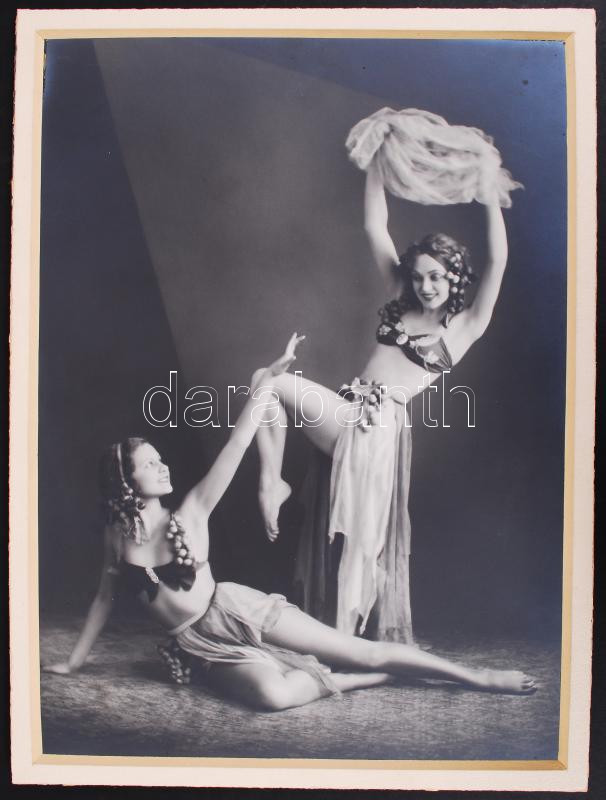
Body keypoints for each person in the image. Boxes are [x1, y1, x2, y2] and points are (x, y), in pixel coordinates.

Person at [44, 335, 536, 711]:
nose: (163, 466)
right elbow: (104, 597)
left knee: (359, 651)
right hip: (197, 644)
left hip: (237, 610)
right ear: (125, 481)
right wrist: (74, 661)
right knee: (272, 697)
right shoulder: (117, 536)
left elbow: (239, 441)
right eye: (150, 464)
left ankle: (478, 677)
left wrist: (267, 385)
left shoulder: (192, 508)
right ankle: (357, 680)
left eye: (159, 458)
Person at [255, 109, 522, 645]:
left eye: (437, 278)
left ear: (455, 278)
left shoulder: (465, 327)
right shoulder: (399, 298)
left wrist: (489, 191)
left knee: (361, 545)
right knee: (269, 383)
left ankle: (345, 644)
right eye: (419, 277)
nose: (426, 287)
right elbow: (374, 226)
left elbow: (498, 260)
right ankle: (272, 481)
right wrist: (377, 159)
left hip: (380, 433)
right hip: (349, 411)